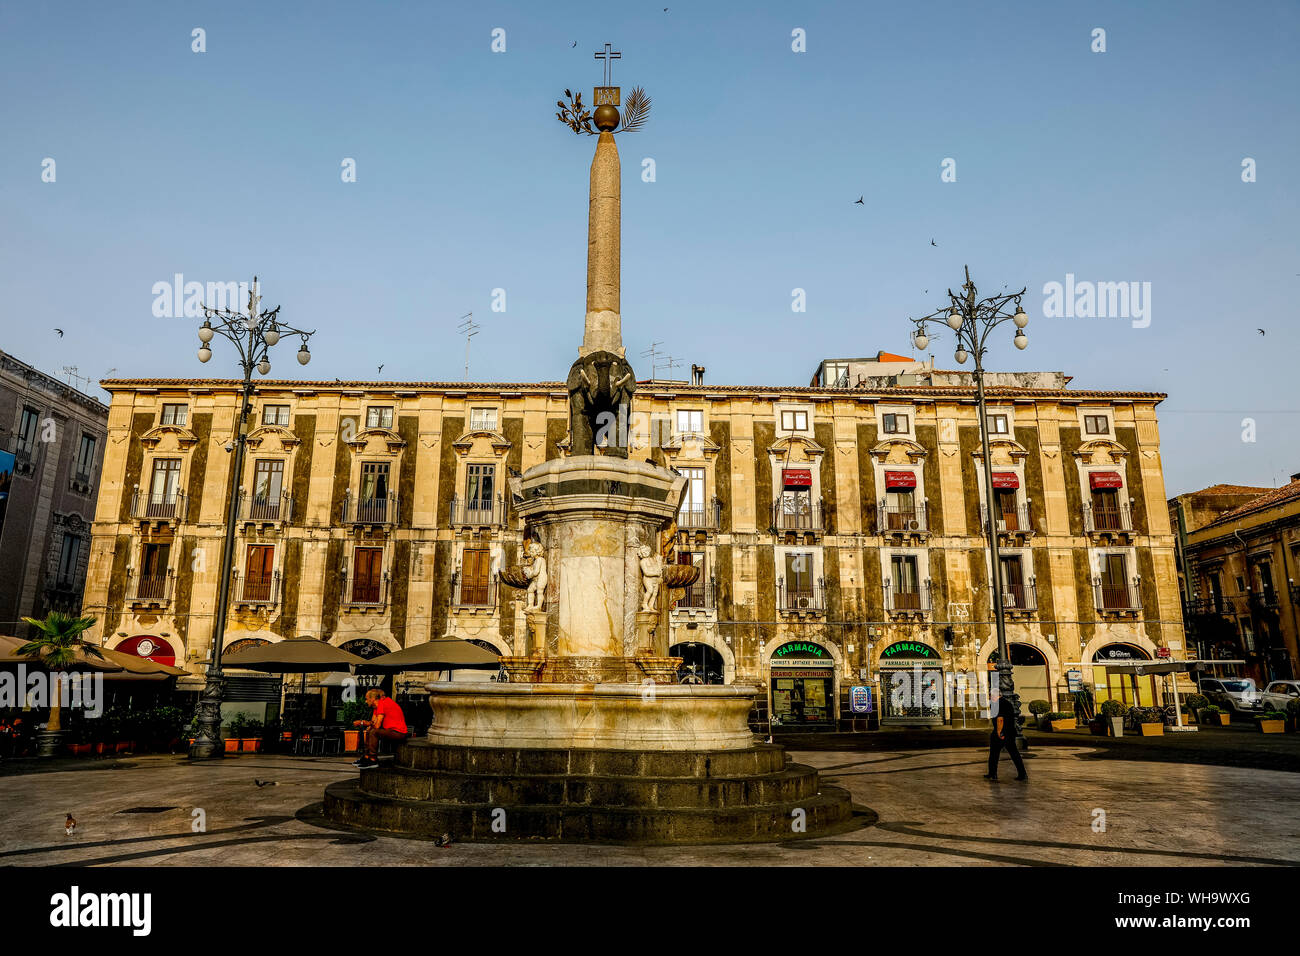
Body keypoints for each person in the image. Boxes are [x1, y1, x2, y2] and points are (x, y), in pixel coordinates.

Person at [352, 688, 408, 770]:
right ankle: (367, 757)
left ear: (373, 699)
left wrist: (362, 722)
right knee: (369, 731)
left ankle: (373, 759)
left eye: (366, 699)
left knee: (374, 732)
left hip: (398, 733)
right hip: (392, 731)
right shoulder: (377, 707)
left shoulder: (382, 703)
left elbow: (377, 726)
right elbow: (372, 723)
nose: (365, 701)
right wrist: (367, 724)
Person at [985, 691, 1027, 781]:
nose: (988, 697)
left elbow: (1000, 719)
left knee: (994, 753)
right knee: (1014, 753)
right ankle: (1022, 773)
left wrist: (999, 732)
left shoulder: (996, 704)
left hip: (1001, 732)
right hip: (1010, 731)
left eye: (990, 695)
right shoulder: (1007, 703)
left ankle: (992, 774)